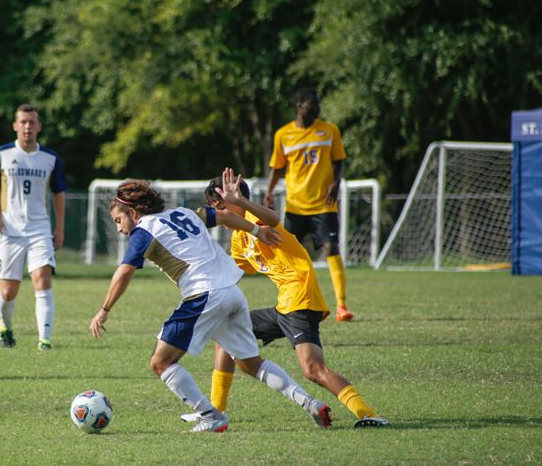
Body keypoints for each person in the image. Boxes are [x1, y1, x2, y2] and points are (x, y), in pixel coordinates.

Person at [89, 179, 333, 433]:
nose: (119, 229)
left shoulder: (144, 230)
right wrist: (256, 231)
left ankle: (210, 416)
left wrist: (104, 310)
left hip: (205, 295)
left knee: (160, 363)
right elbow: (226, 216)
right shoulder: (184, 213)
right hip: (233, 293)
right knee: (251, 364)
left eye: (118, 221)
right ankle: (310, 403)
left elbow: (125, 271)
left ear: (132, 212)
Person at [185, 169, 388, 427]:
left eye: (221, 206)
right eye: (214, 208)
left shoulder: (255, 219)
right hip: (285, 304)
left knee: (314, 370)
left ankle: (368, 414)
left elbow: (272, 217)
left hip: (300, 298)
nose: (219, 214)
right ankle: (215, 413)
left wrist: (243, 202)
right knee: (225, 335)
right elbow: (231, 271)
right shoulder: (239, 238)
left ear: (236, 201)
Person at [264, 88, 354, 322]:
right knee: (287, 254)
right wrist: (269, 192)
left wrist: (336, 183)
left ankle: (342, 306)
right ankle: (291, 300)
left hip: (324, 205)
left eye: (318, 105)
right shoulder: (283, 134)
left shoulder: (329, 131)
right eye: (312, 105)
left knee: (330, 248)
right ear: (300, 107)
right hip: (295, 205)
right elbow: (277, 167)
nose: (317, 109)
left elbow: (339, 162)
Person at [0, 104, 66, 350]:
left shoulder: (50, 158)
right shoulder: (2, 154)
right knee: (9, 292)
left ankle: (45, 341)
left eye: (32, 122)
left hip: (39, 230)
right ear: (15, 125)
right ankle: (5, 326)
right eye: (23, 122)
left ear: (39, 126)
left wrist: (60, 227)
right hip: (10, 231)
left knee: (42, 279)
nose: (27, 126)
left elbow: (59, 193)